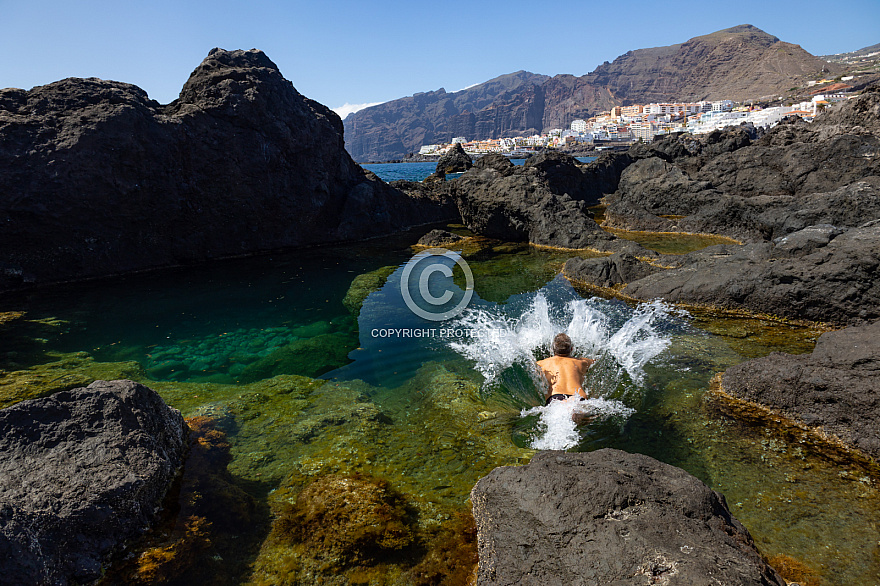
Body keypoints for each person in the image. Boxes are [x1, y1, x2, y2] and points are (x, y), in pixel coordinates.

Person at [537, 333, 595, 405]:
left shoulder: (542, 364)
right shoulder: (582, 362)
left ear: (552, 349)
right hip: (578, 398)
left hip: (556, 397)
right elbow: (597, 361)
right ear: (571, 349)